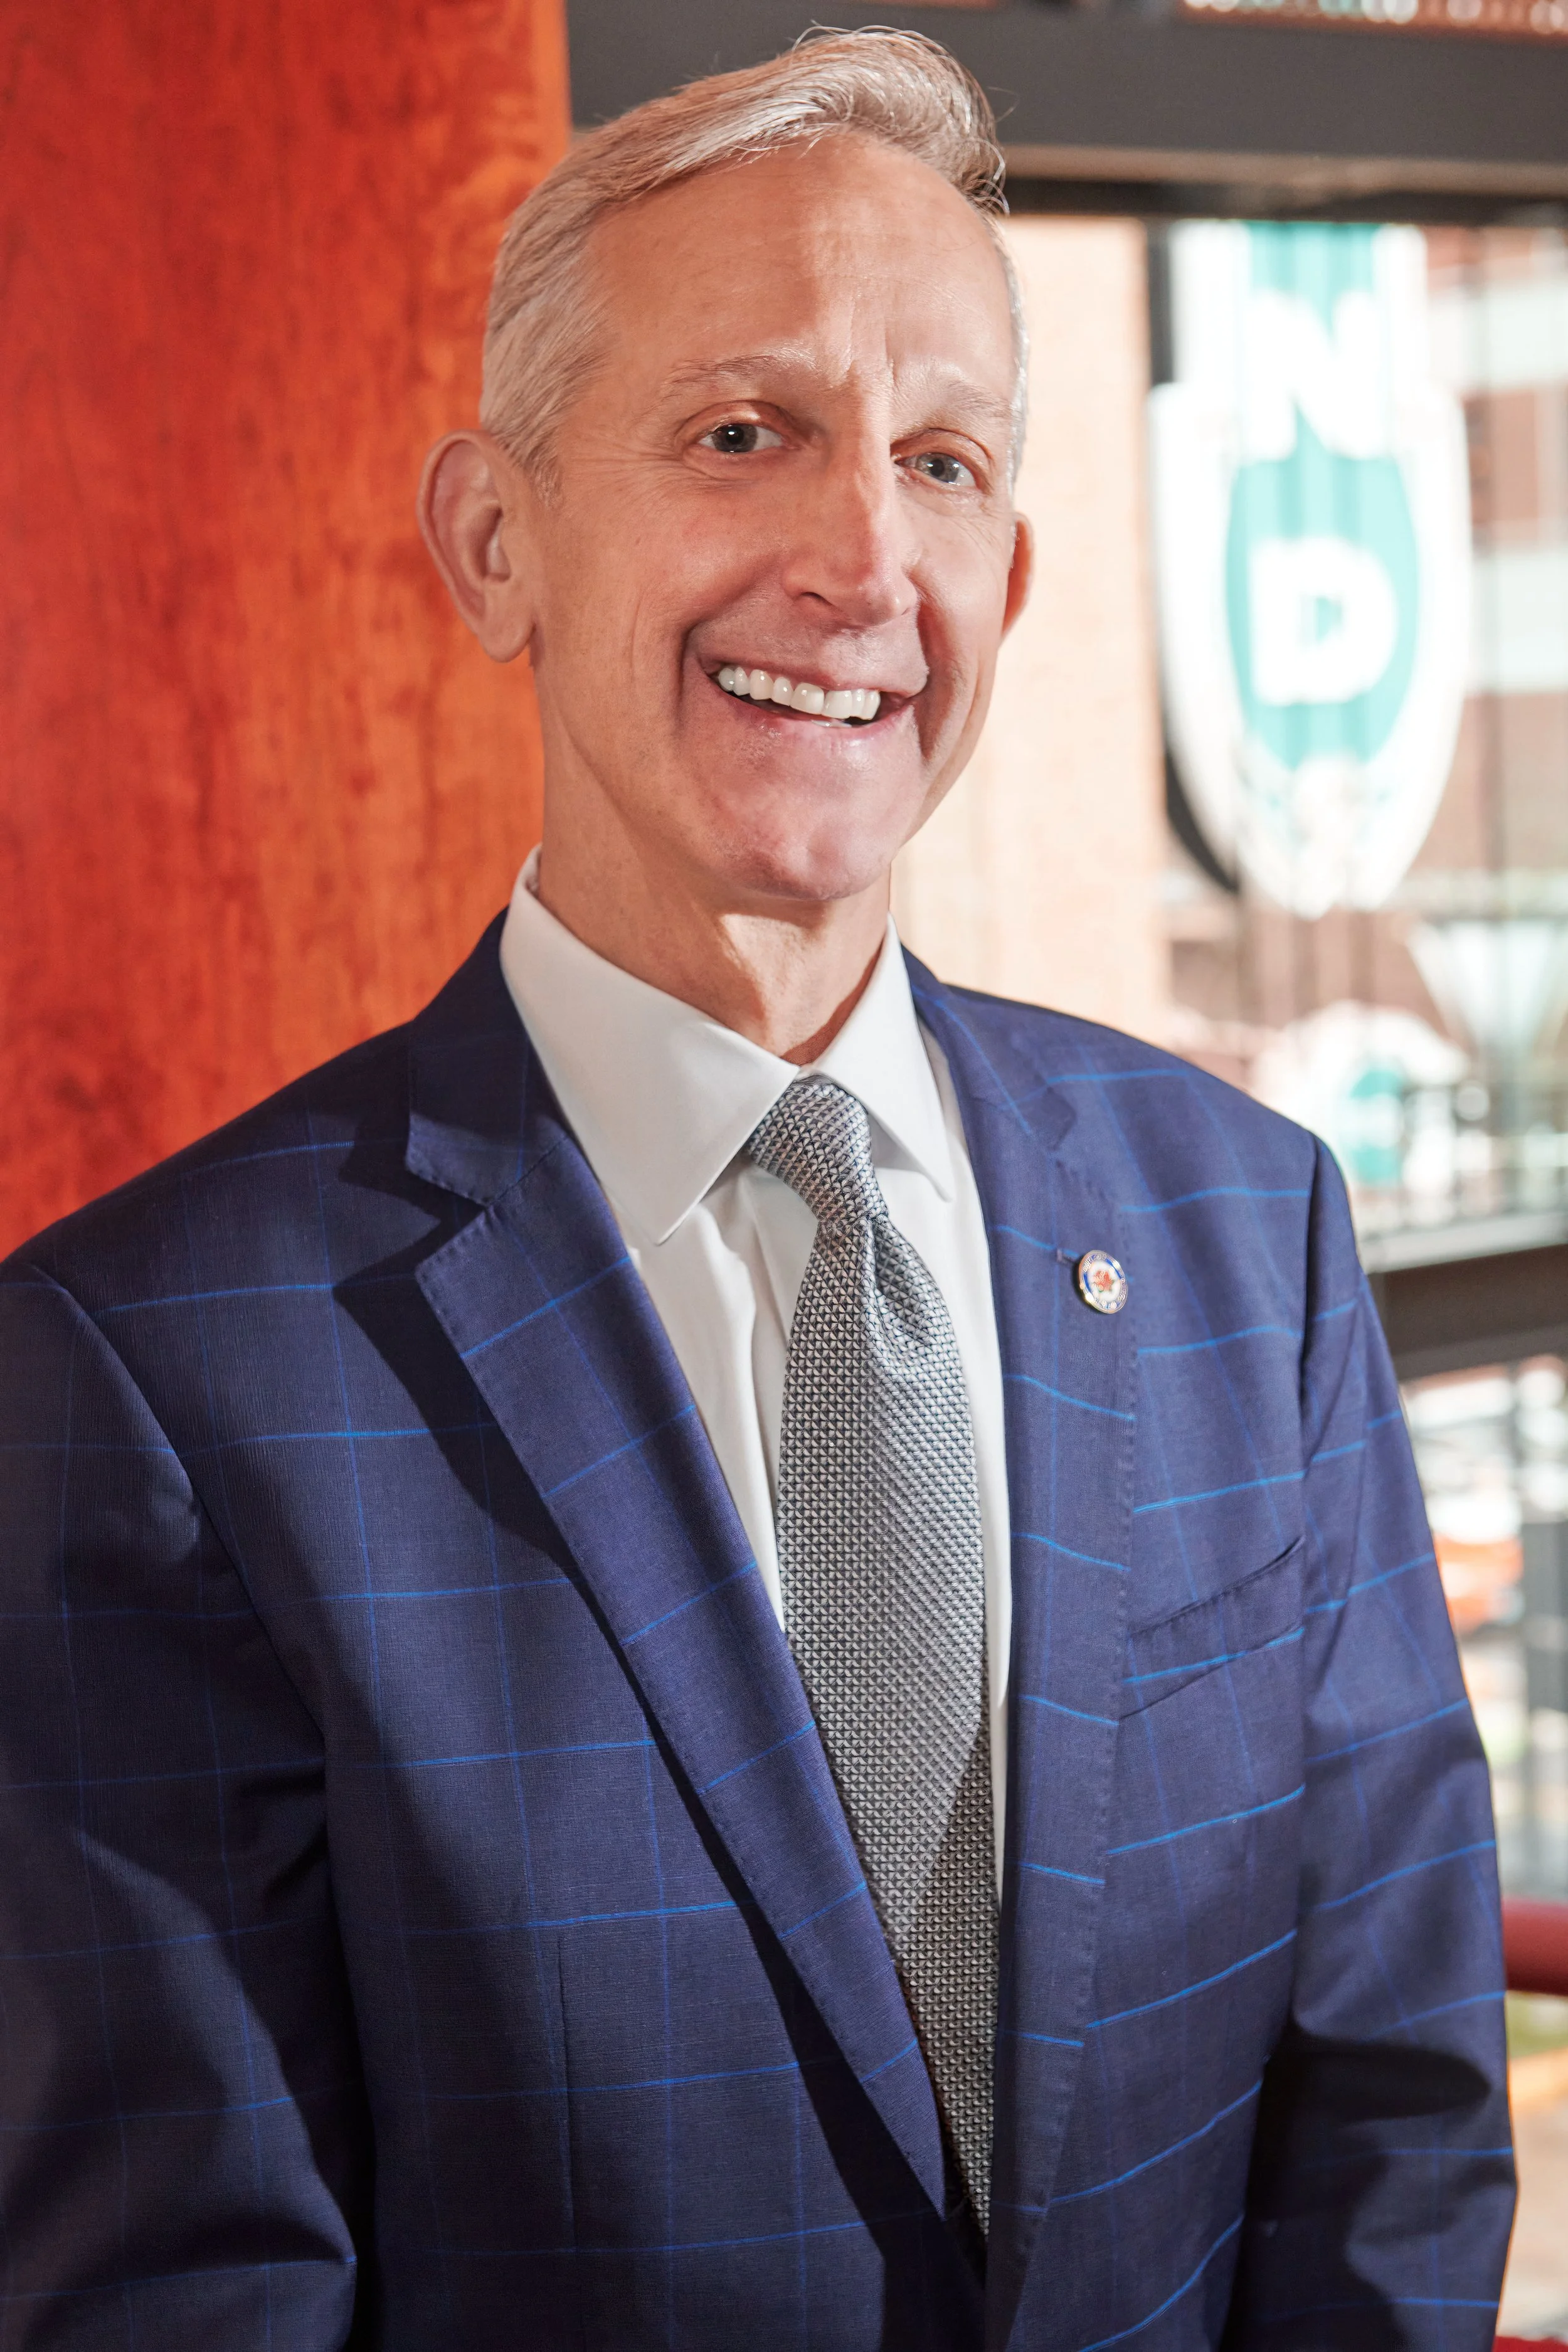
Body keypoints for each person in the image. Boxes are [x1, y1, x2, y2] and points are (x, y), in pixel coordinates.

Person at [0, 31, 1513, 2351]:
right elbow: (187, 2293)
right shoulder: (155, 1373)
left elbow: (1392, 2107)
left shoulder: (1250, 1229)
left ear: (1010, 574)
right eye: (742, 432)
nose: (861, 559)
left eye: (940, 462)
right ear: (494, 542)